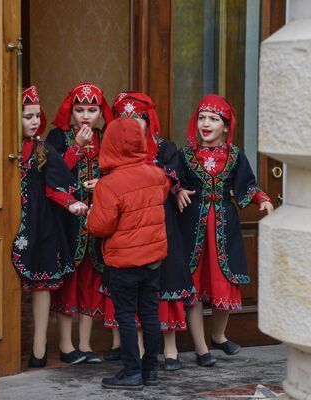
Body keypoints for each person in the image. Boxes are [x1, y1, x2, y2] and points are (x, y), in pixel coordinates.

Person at [175, 94, 274, 367]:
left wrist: (262, 198)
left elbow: (248, 185)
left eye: (214, 119)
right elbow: (171, 181)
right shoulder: (184, 155)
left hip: (222, 228)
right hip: (192, 228)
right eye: (202, 118)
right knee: (193, 285)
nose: (206, 124)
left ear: (226, 126)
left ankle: (218, 335)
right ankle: (201, 348)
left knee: (224, 282)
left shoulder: (235, 156)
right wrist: (178, 190)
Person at [112, 92, 195, 371]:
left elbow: (170, 180)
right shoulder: (116, 150)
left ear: (149, 120)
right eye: (125, 118)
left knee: (166, 284)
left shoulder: (165, 148)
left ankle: (170, 349)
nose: (133, 124)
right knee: (133, 292)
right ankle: (138, 350)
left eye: (138, 118)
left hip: (161, 224)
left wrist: (178, 189)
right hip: (128, 227)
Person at [87, 118, 170, 391]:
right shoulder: (157, 174)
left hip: (124, 261)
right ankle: (151, 370)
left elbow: (101, 227)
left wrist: (89, 216)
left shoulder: (109, 185)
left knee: (125, 314)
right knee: (150, 313)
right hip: (153, 259)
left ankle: (131, 372)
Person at [12, 85, 88, 368]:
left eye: (36, 116)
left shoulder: (42, 148)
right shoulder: (3, 150)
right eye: (26, 116)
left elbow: (56, 182)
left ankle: (39, 348)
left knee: (41, 284)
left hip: (40, 225)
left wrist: (71, 203)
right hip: (9, 224)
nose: (33, 121)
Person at [46, 82, 114, 364]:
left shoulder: (106, 138)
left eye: (92, 110)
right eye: (79, 110)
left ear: (101, 112)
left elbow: (117, 171)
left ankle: (85, 345)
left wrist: (103, 183)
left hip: (97, 219)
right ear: (70, 112)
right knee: (68, 281)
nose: (86, 116)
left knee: (92, 279)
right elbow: (50, 172)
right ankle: (65, 345)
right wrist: (76, 147)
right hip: (66, 219)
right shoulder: (58, 137)